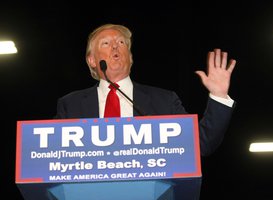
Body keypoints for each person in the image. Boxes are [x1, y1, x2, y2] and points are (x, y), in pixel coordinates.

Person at [54, 23, 237, 198]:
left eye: (121, 42)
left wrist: (219, 96)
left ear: (130, 56)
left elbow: (201, 144)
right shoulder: (71, 105)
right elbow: (50, 157)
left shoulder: (164, 100)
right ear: (92, 60)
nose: (115, 47)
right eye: (106, 43)